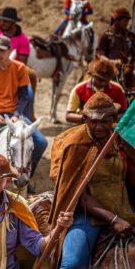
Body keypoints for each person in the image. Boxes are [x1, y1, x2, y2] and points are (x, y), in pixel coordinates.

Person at [50, 92, 135, 268]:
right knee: (71, 264)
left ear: (113, 118)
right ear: (85, 118)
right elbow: (77, 194)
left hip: (124, 207)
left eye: (105, 121)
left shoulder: (118, 138)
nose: (99, 127)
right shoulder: (76, 145)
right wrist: (113, 219)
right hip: (89, 214)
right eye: (93, 121)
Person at [0, 36, 47, 176]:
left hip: (14, 114)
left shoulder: (19, 68)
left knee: (41, 143)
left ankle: (27, 174)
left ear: (10, 50)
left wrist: (17, 114)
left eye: (3, 51)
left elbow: (24, 95)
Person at [66, 59, 127, 124]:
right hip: (84, 126)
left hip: (111, 128)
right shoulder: (79, 89)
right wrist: (86, 119)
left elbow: (124, 113)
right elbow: (68, 115)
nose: (103, 83)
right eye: (100, 80)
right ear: (92, 75)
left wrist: (110, 120)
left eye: (107, 80)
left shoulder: (118, 89)